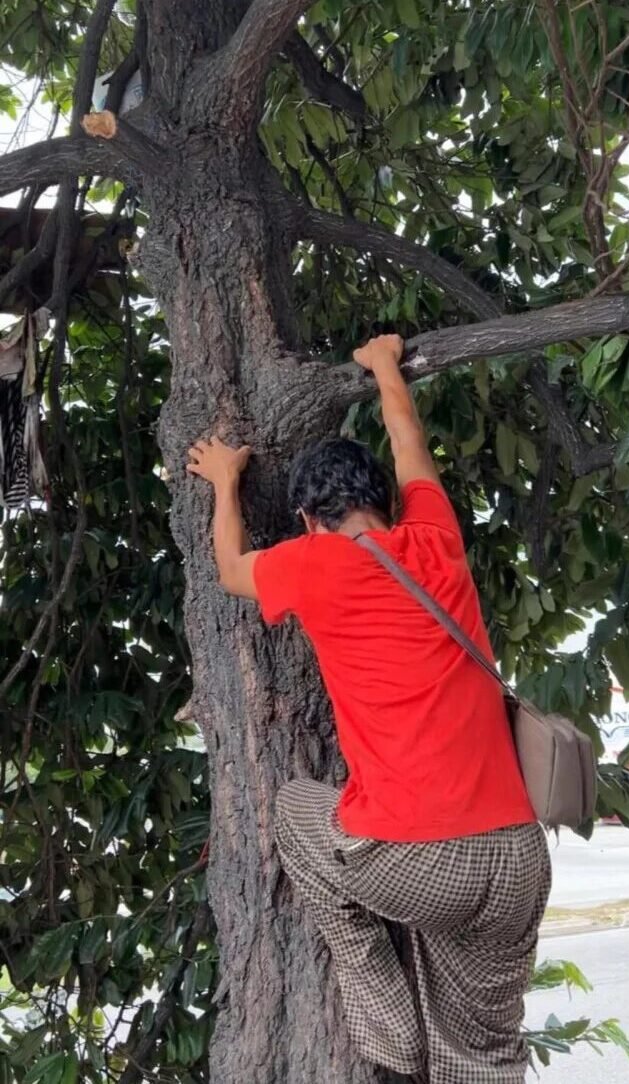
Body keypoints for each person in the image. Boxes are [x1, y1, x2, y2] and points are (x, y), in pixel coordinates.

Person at [186, 334, 552, 1084]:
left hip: (418, 861)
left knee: (297, 810)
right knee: (483, 1051)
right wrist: (385, 365)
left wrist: (225, 481)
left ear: (307, 519)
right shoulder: (435, 536)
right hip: (516, 855)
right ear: (386, 501)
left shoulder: (313, 563)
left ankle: (388, 1029)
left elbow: (229, 569)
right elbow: (408, 439)